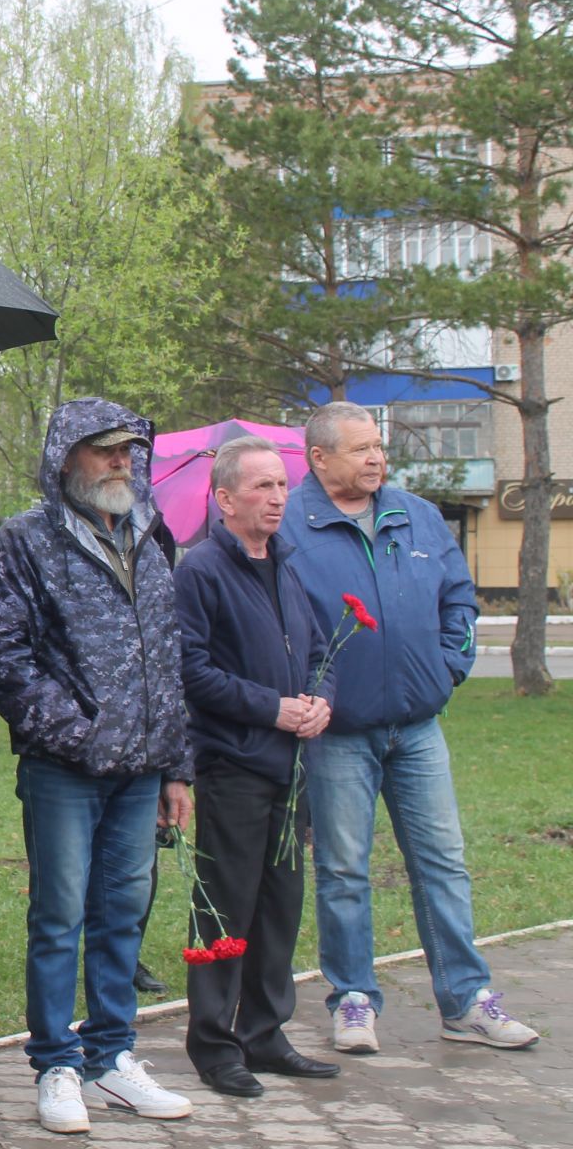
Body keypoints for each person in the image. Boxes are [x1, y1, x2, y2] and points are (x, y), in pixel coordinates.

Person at [280, 400, 539, 1052]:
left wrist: (449, 665)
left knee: (444, 864)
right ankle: (354, 1000)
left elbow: (459, 596)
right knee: (343, 870)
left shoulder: (416, 515)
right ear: (319, 458)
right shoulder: (290, 528)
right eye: (361, 447)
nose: (376, 458)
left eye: (378, 446)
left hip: (418, 728)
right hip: (338, 734)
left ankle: (467, 1000)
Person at [0, 398, 195, 1136]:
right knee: (59, 917)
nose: (121, 463)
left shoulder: (152, 534)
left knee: (122, 916)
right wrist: (84, 733)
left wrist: (176, 765)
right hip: (65, 769)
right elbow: (4, 662)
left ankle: (113, 1056)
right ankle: (56, 1066)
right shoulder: (23, 541)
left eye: (129, 451)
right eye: (105, 451)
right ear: (67, 457)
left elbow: (169, 658)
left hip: (142, 770)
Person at [173, 436, 342, 1097]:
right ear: (224, 498)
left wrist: (321, 701)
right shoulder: (202, 570)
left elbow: (320, 647)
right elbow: (192, 670)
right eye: (263, 487)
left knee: (280, 906)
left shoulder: (287, 565)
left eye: (282, 486)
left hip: (291, 768)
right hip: (233, 765)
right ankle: (214, 1043)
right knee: (225, 908)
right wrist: (270, 709)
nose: (278, 498)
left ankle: (264, 1033)